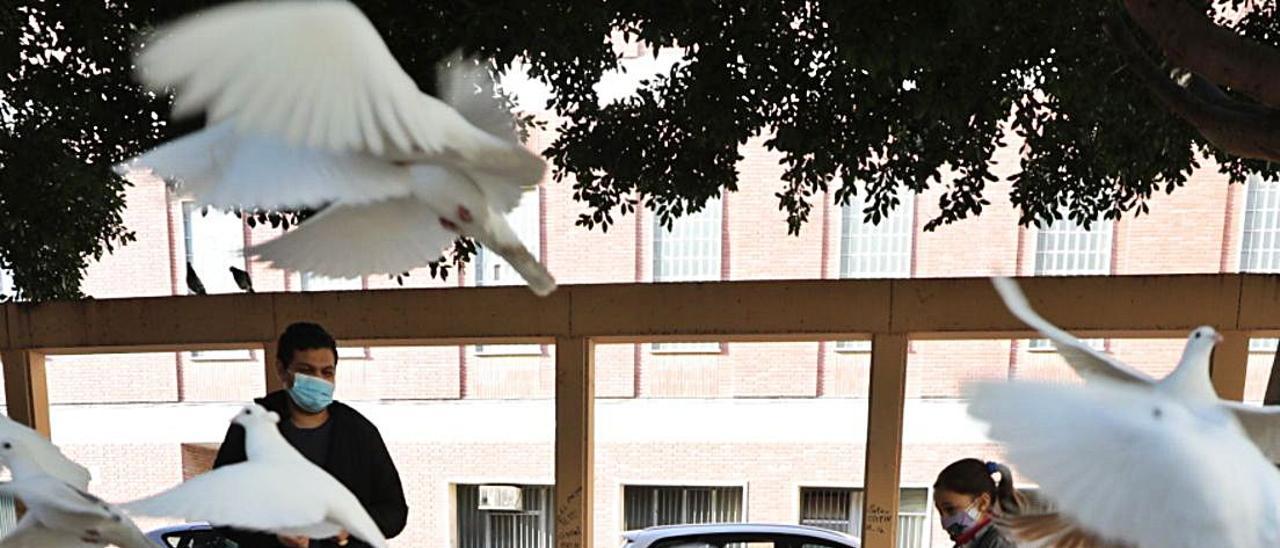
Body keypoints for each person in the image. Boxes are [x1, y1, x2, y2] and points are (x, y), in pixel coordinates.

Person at [212, 322, 408, 548]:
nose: (318, 380)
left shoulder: (359, 433)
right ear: (282, 370)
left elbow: (394, 513)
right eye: (306, 371)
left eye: (327, 372)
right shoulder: (249, 430)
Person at [932, 458, 1019, 548]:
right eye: (940, 512)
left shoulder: (1001, 541)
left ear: (983, 503)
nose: (944, 524)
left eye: (950, 509)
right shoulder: (968, 542)